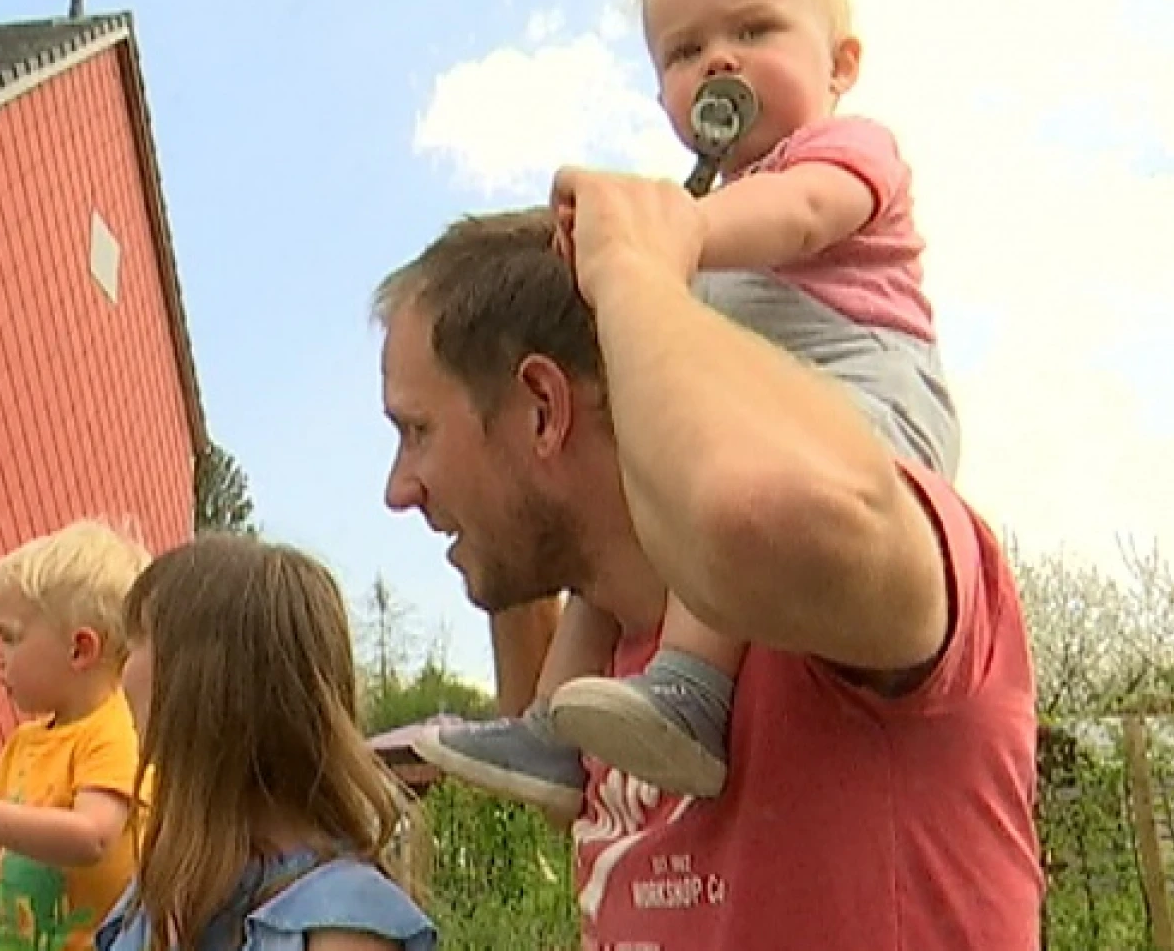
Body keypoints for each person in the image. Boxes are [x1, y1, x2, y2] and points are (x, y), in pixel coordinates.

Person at [374, 183, 1040, 946]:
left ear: (542, 409)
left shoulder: (840, 591)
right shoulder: (618, 670)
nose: (399, 489)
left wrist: (633, 267)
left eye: (416, 430)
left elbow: (752, 515)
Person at [416, 0, 963, 810]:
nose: (717, 60)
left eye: (754, 30)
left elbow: (804, 217)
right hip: (775, 408)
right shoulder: (710, 203)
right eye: (683, 51)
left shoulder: (845, 150)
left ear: (841, 64)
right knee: (639, 501)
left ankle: (691, 693)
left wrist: (654, 238)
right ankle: (552, 727)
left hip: (867, 405)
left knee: (718, 492)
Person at [95, 534, 438, 951]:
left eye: (137, 641)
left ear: (207, 684)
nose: (121, 670)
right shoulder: (166, 884)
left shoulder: (342, 922)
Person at [0, 518, 151, 951]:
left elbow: (92, 836)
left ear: (80, 649)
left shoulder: (115, 731)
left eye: (10, 638)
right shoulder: (25, 744)